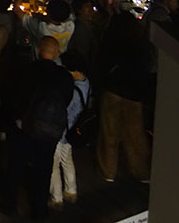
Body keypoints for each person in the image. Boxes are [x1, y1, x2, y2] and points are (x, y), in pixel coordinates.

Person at [0, 37, 74, 220]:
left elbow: (12, 95)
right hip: (50, 128)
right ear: (56, 53)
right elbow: (67, 99)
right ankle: (39, 210)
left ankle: (9, 203)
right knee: (44, 168)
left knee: (16, 163)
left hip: (24, 125)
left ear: (39, 50)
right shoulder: (64, 76)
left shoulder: (26, 70)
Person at [95, 12, 151, 183]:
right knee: (135, 135)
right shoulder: (141, 44)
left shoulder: (110, 40)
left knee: (109, 133)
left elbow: (101, 65)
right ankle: (141, 171)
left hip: (113, 90)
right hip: (134, 95)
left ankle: (109, 171)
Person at [50, 51, 91, 210]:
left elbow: (65, 109)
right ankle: (71, 191)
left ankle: (57, 198)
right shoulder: (86, 82)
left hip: (61, 130)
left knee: (53, 165)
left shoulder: (72, 89)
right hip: (73, 130)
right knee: (67, 161)